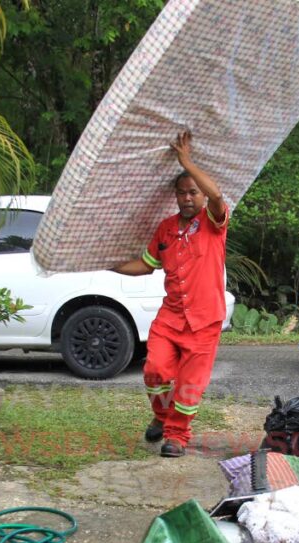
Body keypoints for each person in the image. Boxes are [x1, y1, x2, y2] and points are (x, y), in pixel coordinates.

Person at [112, 131, 229, 457]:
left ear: (201, 197)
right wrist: (110, 265)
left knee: (189, 388)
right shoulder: (166, 228)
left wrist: (186, 162)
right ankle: (163, 417)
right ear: (175, 197)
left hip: (205, 321)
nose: (187, 198)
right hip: (171, 317)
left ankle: (177, 436)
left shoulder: (213, 223)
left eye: (193, 192)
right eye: (181, 193)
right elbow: (146, 265)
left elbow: (218, 196)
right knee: (155, 372)